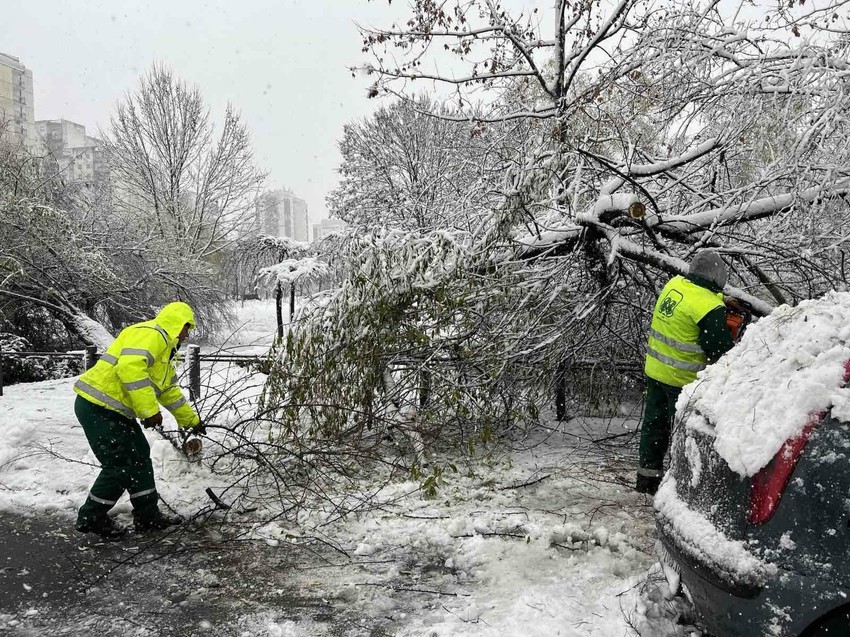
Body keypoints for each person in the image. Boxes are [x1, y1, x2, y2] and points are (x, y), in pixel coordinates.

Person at [73, 301, 205, 538]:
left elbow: (167, 391)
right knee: (119, 464)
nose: (187, 335)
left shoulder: (164, 350)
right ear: (178, 324)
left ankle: (148, 517)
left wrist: (192, 421)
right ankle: (91, 517)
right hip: (97, 407)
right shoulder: (151, 335)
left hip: (112, 410)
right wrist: (148, 411)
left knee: (139, 457)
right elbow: (131, 369)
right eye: (187, 328)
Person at [636, 251, 735, 495]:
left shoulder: (675, 285)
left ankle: (647, 481)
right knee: (684, 434)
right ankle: (680, 486)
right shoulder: (709, 306)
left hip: (656, 371)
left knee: (654, 427)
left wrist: (721, 301)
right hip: (682, 381)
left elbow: (695, 300)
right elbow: (719, 348)